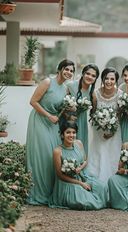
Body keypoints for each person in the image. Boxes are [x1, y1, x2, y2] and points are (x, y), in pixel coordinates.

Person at [26, 59, 75, 205]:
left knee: (51, 157)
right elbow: (33, 101)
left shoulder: (66, 88)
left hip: (54, 124)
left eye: (72, 71)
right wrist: (48, 116)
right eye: (66, 69)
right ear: (59, 69)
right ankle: (37, 193)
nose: (69, 73)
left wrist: (69, 110)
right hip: (40, 121)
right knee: (41, 156)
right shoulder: (47, 82)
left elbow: (60, 109)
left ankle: (49, 191)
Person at [49, 121, 108, 210]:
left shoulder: (79, 143)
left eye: (74, 132)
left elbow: (85, 160)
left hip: (82, 176)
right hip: (67, 182)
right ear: (62, 135)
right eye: (68, 132)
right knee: (86, 202)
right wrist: (80, 184)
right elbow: (60, 175)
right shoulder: (57, 151)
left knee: (102, 187)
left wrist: (80, 168)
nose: (71, 135)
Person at [87, 67, 123, 184]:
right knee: (98, 155)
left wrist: (112, 130)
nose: (109, 81)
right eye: (106, 78)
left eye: (112, 79)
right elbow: (93, 113)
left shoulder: (120, 94)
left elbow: (120, 114)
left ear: (116, 80)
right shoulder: (95, 94)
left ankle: (113, 183)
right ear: (102, 79)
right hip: (98, 131)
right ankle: (97, 183)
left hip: (115, 131)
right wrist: (100, 124)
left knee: (113, 156)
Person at [67, 64, 99, 154]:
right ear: (83, 73)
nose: (90, 77)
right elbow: (61, 105)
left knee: (79, 149)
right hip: (67, 121)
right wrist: (67, 114)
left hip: (81, 123)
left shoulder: (92, 94)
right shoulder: (70, 86)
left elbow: (94, 112)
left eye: (93, 76)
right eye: (87, 74)